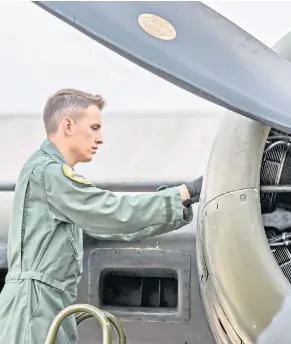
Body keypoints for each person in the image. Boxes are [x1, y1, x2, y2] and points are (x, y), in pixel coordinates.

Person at [0, 88, 203, 344]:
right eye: (94, 127)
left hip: (46, 308)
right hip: (33, 310)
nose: (100, 139)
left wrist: (179, 205)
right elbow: (113, 213)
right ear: (68, 125)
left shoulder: (51, 178)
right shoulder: (49, 174)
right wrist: (183, 193)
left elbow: (116, 228)